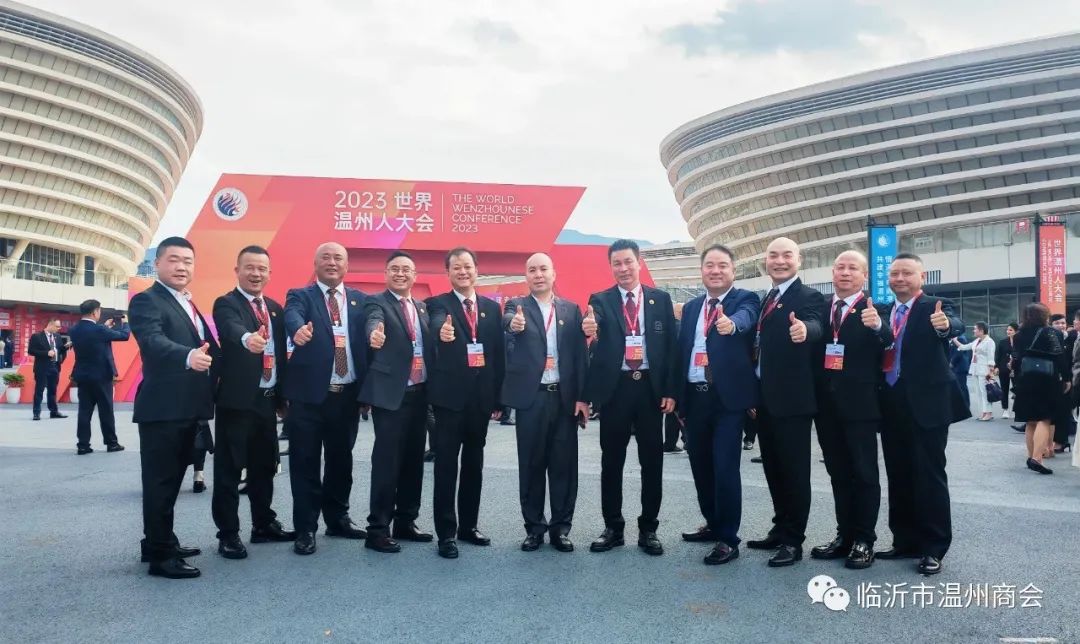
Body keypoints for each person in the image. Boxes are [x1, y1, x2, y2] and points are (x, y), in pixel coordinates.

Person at [129, 237, 220, 579]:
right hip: (163, 409)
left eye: (188, 261)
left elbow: (208, 349)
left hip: (186, 407)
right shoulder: (147, 300)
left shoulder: (187, 302)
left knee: (170, 482)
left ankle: (158, 541)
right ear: (158, 264)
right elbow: (152, 340)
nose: (181, 267)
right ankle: (161, 557)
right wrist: (187, 355)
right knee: (160, 483)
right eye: (174, 260)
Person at [583, 239, 678, 556]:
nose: (623, 269)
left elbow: (671, 347)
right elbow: (593, 325)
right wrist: (589, 327)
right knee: (612, 462)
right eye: (617, 264)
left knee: (652, 462)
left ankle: (649, 529)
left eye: (628, 262)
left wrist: (670, 390)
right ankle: (613, 528)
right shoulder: (601, 299)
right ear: (611, 267)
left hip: (651, 391)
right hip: (616, 391)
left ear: (639, 263)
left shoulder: (660, 299)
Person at [874, 252, 967, 576]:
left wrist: (946, 326)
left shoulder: (935, 306)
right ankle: (904, 540)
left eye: (907, 273)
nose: (899, 279)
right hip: (891, 401)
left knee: (929, 475)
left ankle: (933, 547)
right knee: (898, 474)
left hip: (927, 404)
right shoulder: (882, 311)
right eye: (894, 274)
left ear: (921, 277)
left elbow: (954, 324)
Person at [675, 244, 760, 566]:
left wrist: (732, 324)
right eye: (709, 265)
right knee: (700, 465)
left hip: (727, 400)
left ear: (733, 270)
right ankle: (712, 522)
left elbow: (746, 318)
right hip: (695, 397)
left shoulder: (745, 299)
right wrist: (679, 399)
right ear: (702, 271)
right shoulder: (692, 308)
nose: (715, 270)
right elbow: (682, 351)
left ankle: (728, 538)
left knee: (725, 467)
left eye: (722, 265)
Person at [210, 245, 296, 560]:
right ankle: (228, 534)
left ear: (269, 273)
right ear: (237, 270)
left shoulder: (274, 308)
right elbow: (231, 329)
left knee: (264, 466)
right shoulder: (227, 303)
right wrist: (248, 338)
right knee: (230, 470)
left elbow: (282, 354)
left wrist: (283, 396)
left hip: (267, 401)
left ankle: (263, 524)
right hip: (237, 402)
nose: (256, 274)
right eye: (250, 267)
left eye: (262, 268)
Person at [283, 242, 369, 556]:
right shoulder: (301, 296)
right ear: (316, 263)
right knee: (305, 462)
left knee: (341, 461)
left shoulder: (360, 300)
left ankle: (338, 518)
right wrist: (297, 330)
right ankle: (306, 528)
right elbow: (292, 315)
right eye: (326, 257)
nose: (332, 262)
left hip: (346, 397)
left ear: (346, 265)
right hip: (309, 398)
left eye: (338, 258)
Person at [745, 237, 825, 568]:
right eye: (773, 256)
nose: (779, 261)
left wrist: (805, 330)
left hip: (792, 401)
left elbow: (816, 324)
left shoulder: (809, 296)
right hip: (764, 399)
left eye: (786, 255)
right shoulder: (766, 298)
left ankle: (793, 540)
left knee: (794, 472)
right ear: (766, 261)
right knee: (774, 469)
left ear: (799, 260)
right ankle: (779, 528)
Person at [809, 251, 892, 570]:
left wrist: (878, 326)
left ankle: (864, 540)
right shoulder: (821, 308)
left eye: (853, 268)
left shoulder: (875, 308)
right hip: (825, 406)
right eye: (840, 267)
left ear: (864, 275)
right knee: (838, 473)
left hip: (860, 405)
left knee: (864, 473)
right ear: (832, 272)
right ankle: (844, 536)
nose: (845, 272)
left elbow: (889, 338)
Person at [501, 253, 589, 553]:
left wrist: (582, 398)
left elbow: (579, 356)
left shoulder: (571, 310)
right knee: (531, 465)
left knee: (564, 466)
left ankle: (560, 529)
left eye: (543, 269)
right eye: (532, 270)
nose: (538, 274)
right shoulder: (516, 306)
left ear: (553, 274)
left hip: (563, 399)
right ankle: (535, 528)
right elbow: (507, 322)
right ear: (526, 276)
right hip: (532, 399)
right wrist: (513, 324)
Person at [426, 248, 505, 558]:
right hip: (449, 402)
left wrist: (498, 398)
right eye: (456, 267)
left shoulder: (491, 308)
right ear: (448, 272)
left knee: (474, 465)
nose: (463, 271)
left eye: (467, 266)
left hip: (480, 402)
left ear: (476, 270)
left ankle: (468, 527)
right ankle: (446, 534)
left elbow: (497, 355)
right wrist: (441, 331)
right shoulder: (437, 304)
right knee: (446, 467)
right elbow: (435, 324)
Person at [360, 251, 435, 553]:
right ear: (386, 273)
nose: (401, 274)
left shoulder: (422, 307)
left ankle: (406, 522)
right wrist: (374, 335)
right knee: (387, 463)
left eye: (406, 269)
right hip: (392, 397)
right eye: (395, 269)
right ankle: (377, 529)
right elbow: (373, 322)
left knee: (413, 461)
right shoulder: (377, 302)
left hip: (420, 395)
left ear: (415, 276)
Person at [1014, 303, 1069, 474]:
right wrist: (1067, 378)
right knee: (1044, 419)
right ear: (1044, 316)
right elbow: (1060, 356)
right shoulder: (1052, 332)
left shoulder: (1019, 335)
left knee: (1030, 420)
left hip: (1025, 379)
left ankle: (1031, 456)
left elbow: (1016, 358)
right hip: (1047, 379)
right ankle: (1037, 458)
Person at [69, 301, 129, 454]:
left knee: (84, 411)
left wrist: (105, 327)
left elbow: (93, 337)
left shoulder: (74, 330)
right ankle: (111, 443)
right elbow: (124, 336)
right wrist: (125, 323)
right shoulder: (100, 330)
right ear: (95, 312)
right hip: (102, 376)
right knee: (106, 410)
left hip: (83, 375)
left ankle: (83, 445)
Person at [953, 322, 996, 421]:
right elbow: (964, 347)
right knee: (978, 392)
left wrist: (991, 372)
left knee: (985, 392)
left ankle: (988, 413)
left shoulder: (989, 342)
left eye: (975, 329)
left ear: (981, 330)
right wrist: (955, 340)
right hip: (975, 369)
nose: (974, 330)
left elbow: (991, 358)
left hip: (984, 370)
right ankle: (983, 412)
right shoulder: (977, 341)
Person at [28, 318, 69, 421]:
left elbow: (59, 350)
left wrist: (66, 347)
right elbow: (31, 351)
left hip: (55, 367)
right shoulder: (37, 336)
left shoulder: (57, 336)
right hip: (42, 367)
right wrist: (46, 353)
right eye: (57, 326)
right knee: (39, 391)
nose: (59, 328)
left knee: (53, 391)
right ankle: (36, 413)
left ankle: (54, 412)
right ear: (50, 325)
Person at [995, 323, 1018, 419]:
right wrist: (996, 367)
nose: (1008, 332)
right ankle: (1005, 409)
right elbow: (998, 355)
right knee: (1004, 389)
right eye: (1007, 330)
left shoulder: (1020, 341)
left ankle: (1017, 410)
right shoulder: (1002, 342)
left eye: (1011, 330)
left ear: (1016, 331)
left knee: (1017, 390)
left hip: (1016, 369)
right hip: (1004, 368)